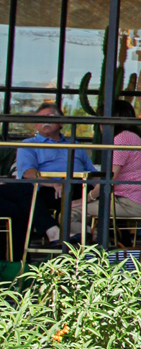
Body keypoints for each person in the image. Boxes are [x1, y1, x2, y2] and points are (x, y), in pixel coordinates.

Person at [11, 104, 97, 245]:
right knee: (24, 192)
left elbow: (93, 173)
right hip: (49, 190)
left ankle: (56, 233)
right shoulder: (29, 144)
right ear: (36, 126)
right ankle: (55, 233)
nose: (45, 121)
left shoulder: (74, 144)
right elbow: (28, 173)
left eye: (49, 116)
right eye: (40, 119)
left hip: (79, 188)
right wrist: (54, 183)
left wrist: (104, 190)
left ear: (60, 122)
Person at [70, 101, 141, 238]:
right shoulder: (133, 137)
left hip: (127, 203)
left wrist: (86, 199)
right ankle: (98, 238)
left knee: (67, 214)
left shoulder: (121, 140)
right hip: (130, 200)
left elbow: (109, 178)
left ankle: (96, 239)